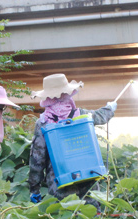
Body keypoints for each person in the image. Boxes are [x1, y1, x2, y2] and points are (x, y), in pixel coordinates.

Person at [28, 74, 117, 207]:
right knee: (90, 217)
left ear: (46, 98)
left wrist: (34, 189)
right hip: (88, 178)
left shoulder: (43, 123)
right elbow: (100, 116)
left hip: (60, 183)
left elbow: (37, 161)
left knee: (65, 218)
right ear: (67, 93)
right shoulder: (81, 115)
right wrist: (110, 108)